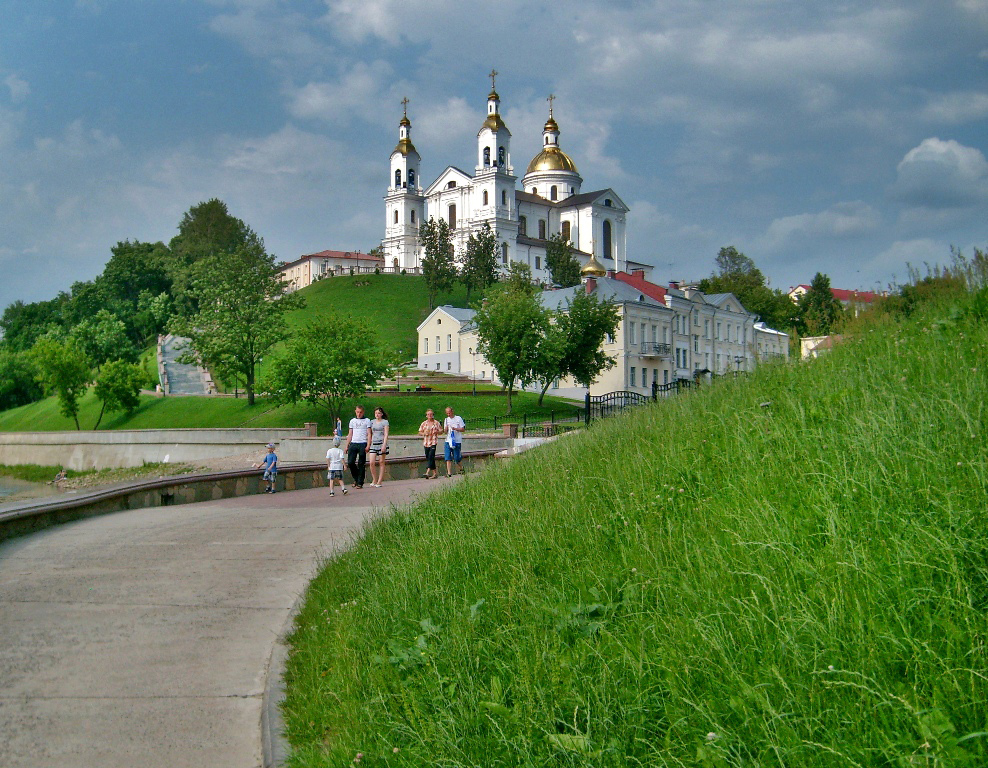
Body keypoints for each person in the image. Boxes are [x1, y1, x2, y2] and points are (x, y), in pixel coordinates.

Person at [345, 405, 372, 488]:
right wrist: (347, 445)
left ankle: (360, 482)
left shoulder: (367, 421)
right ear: (355, 411)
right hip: (353, 443)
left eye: (360, 412)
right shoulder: (352, 421)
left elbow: (369, 433)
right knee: (350, 462)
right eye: (357, 412)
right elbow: (350, 433)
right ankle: (356, 479)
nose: (359, 414)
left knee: (361, 463)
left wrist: (368, 445)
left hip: (362, 442)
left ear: (363, 412)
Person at [367, 406, 390, 487]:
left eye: (379, 413)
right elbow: (369, 433)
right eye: (376, 413)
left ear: (382, 414)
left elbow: (386, 434)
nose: (377, 414)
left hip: (381, 443)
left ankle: (380, 481)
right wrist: (368, 444)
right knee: (372, 462)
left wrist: (384, 444)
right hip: (374, 443)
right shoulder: (372, 422)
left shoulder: (385, 422)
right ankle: (374, 479)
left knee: (381, 462)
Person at [418, 408, 443, 479]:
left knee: (431, 456)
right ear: (426, 416)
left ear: (433, 415)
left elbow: (441, 431)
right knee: (428, 457)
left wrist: (437, 432)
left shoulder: (436, 423)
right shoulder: (424, 423)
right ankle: (435, 473)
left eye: (431, 414)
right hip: (426, 442)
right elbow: (419, 432)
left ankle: (427, 472)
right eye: (428, 414)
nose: (430, 416)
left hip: (433, 442)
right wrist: (423, 433)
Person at [442, 405, 465, 478]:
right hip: (448, 440)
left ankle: (461, 468)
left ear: (452, 411)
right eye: (447, 413)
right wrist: (446, 429)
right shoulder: (446, 420)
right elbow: (445, 432)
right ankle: (449, 473)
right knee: (448, 456)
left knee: (456, 457)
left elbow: (463, 429)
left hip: (456, 440)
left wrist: (455, 429)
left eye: (449, 413)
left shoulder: (458, 418)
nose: (448, 414)